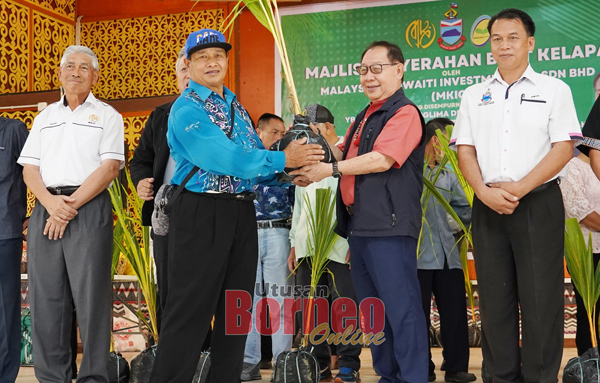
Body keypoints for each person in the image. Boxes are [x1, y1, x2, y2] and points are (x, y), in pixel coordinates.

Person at [147, 29, 324, 383]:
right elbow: (223, 158)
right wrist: (282, 159)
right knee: (189, 313)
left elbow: (248, 168)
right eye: (202, 57)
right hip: (200, 211)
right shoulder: (185, 109)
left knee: (236, 312)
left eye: (218, 55)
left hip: (242, 212)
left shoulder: (235, 105)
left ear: (227, 61)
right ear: (187, 64)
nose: (212, 62)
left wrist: (288, 175)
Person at [450, 8, 580, 382]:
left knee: (541, 301)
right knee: (495, 301)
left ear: (530, 43)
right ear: (489, 45)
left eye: (513, 37)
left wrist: (520, 188)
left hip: (537, 203)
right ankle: (499, 376)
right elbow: (465, 151)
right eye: (496, 39)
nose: (504, 45)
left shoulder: (555, 89)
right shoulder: (475, 94)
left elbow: (563, 148)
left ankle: (540, 377)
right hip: (488, 205)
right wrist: (482, 192)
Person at [291, 41, 429, 383]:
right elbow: (337, 156)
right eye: (363, 70)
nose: (368, 77)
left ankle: (412, 377)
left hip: (391, 227)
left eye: (376, 68)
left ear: (399, 70)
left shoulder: (404, 113)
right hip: (361, 228)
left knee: (403, 310)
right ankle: (388, 376)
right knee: (376, 314)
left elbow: (381, 159)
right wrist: (303, 157)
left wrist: (328, 171)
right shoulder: (364, 116)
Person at [18, 45, 125, 382]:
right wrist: (51, 205)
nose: (76, 72)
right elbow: (29, 170)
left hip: (88, 208)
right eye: (70, 66)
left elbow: (109, 168)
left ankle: (94, 376)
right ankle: (53, 377)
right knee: (46, 299)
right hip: (46, 208)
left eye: (84, 67)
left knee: (91, 298)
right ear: (60, 73)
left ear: (94, 76)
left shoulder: (108, 115)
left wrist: (68, 206)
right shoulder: (45, 117)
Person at [288, 104, 362, 383]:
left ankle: (348, 364)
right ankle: (318, 364)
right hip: (307, 246)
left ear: (328, 128)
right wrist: (295, 243)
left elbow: (355, 200)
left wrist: (355, 242)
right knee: (312, 307)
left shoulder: (346, 156)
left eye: (310, 131)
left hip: (339, 245)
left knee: (344, 306)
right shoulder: (303, 159)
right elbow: (299, 206)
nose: (304, 138)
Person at [130, 46, 190, 332]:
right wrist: (141, 181)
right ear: (176, 76)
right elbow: (140, 160)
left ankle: (204, 352)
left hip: (205, 212)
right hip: (164, 214)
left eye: (193, 69)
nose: (188, 77)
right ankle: (171, 352)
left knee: (199, 283)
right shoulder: (161, 115)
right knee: (167, 282)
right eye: (183, 71)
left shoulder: (223, 113)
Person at [418, 118, 474, 383]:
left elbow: (465, 211)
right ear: (434, 141)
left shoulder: (451, 176)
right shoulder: (412, 174)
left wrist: (453, 225)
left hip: (448, 256)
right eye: (448, 141)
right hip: (416, 257)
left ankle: (456, 367)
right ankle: (421, 367)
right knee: (418, 316)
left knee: (454, 313)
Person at [242, 113, 293, 381]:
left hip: (278, 232)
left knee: (280, 300)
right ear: (259, 132)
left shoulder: (286, 164)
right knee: (247, 301)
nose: (280, 138)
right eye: (275, 132)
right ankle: (248, 362)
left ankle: (282, 362)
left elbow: (297, 202)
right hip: (248, 235)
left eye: (283, 133)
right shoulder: (245, 159)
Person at [560, 151, 600, 355]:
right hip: (586, 252)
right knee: (590, 312)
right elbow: (578, 210)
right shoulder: (574, 167)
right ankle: (590, 365)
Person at [0, 117, 28, 383]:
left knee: (5, 309)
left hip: (4, 233)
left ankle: (4, 375)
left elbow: (36, 171)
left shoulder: (13, 130)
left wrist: (35, 214)